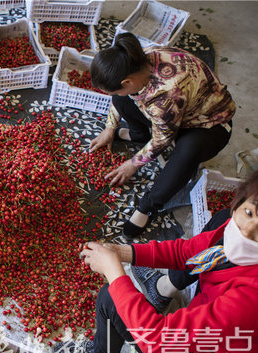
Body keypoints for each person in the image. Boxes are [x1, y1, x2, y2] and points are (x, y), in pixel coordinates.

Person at [56, 169, 258, 353]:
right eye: (248, 212)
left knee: (111, 297)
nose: (247, 231)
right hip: (221, 336)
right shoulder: (234, 231)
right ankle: (160, 289)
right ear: (240, 201)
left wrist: (113, 271)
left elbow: (155, 338)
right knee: (217, 225)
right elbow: (187, 252)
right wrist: (121, 253)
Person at [89, 33, 236, 238]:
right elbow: (119, 97)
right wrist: (110, 128)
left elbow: (162, 140)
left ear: (127, 82)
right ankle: (139, 135)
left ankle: (148, 206)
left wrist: (132, 164)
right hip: (175, 115)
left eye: (116, 90)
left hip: (209, 125)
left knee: (185, 154)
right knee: (123, 100)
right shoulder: (139, 58)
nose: (113, 95)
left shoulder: (165, 97)